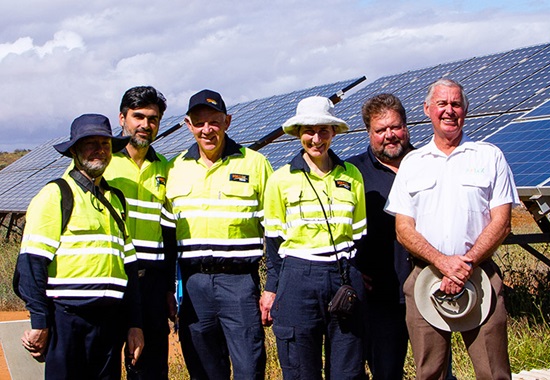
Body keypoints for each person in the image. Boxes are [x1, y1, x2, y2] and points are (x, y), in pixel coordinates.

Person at [385, 78, 519, 380]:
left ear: (465, 110)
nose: (449, 111)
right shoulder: (413, 163)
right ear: (428, 110)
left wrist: (465, 264)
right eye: (442, 104)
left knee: (493, 372)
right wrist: (443, 263)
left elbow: (502, 221)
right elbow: (403, 228)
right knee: (429, 372)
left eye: (456, 104)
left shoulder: (488, 156)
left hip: (481, 274)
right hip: (425, 277)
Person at [14, 114, 143, 379]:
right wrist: (40, 322)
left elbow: (129, 268)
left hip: (109, 322)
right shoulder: (55, 195)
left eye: (105, 144)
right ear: (74, 150)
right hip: (67, 319)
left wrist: (134, 323)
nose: (99, 150)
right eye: (90, 143)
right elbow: (31, 264)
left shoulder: (116, 200)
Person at [166, 89, 272, 379]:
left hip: (238, 284)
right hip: (192, 285)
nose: (207, 129)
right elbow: (165, 235)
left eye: (214, 121)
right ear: (188, 125)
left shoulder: (255, 164)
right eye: (199, 123)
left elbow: (275, 230)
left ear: (227, 121)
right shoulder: (175, 169)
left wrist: (272, 284)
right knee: (203, 369)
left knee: (249, 368)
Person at [261, 96, 367, 379]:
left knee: (348, 369)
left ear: (333, 132)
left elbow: (359, 235)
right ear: (298, 133)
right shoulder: (280, 180)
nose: (316, 138)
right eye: (309, 130)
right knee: (300, 368)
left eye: (323, 130)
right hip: (297, 277)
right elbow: (273, 242)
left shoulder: (352, 175)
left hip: (343, 275)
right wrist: (272, 288)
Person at [104, 86, 176, 379]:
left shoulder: (167, 168)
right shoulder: (102, 161)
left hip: (151, 282)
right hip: (111, 277)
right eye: (138, 116)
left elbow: (169, 233)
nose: (145, 125)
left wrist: (169, 287)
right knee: (104, 362)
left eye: (153, 118)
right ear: (122, 118)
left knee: (150, 366)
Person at [346, 93, 413, 379]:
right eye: (380, 130)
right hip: (381, 296)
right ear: (369, 133)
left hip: (429, 289)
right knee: (387, 372)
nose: (389, 135)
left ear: (406, 127)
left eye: (395, 127)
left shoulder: (427, 163)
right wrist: (352, 272)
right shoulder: (353, 173)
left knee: (436, 370)